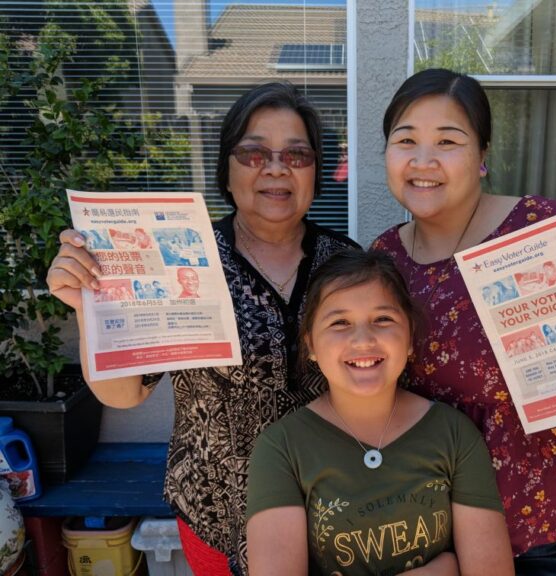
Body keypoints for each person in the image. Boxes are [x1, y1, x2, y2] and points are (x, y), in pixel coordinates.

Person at [371, 68, 556, 575]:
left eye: (448, 140)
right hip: (453, 523)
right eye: (406, 140)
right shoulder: (384, 258)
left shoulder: (543, 227)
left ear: (483, 156)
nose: (423, 161)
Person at [46, 82, 359, 575]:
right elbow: (125, 394)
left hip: (330, 512)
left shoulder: (346, 264)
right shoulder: (179, 256)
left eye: (296, 155)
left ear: (315, 171)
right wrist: (89, 305)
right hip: (217, 514)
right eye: (254, 153)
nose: (276, 168)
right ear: (226, 169)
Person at [245, 250, 515, 576]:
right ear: (311, 345)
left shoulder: (454, 433)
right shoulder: (281, 448)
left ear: (411, 337)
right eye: (340, 323)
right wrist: (441, 570)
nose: (363, 340)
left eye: (383, 319)